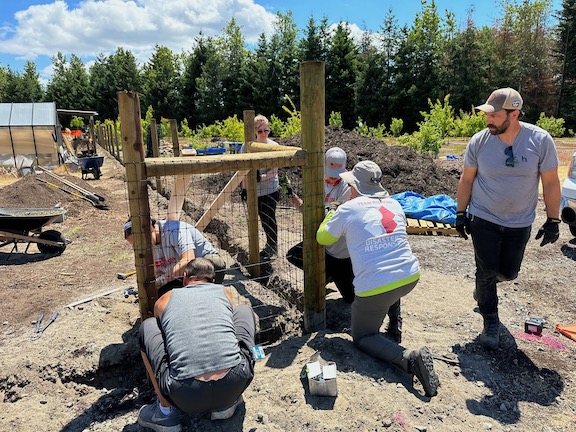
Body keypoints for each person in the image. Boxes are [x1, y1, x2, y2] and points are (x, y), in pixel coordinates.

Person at [316, 160, 439, 397]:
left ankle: (409, 360)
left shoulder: (348, 209)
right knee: (388, 278)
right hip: (409, 276)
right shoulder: (394, 204)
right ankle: (395, 323)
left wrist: (331, 213)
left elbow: (323, 238)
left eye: (350, 184)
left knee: (362, 337)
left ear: (356, 186)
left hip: (377, 287)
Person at [456, 87, 562, 350]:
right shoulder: (479, 141)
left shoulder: (540, 140)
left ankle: (483, 287)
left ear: (514, 114)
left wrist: (553, 219)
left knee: (509, 272)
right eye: (487, 115)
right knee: (487, 269)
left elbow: (550, 182)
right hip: (484, 216)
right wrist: (460, 213)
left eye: (494, 115)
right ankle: (490, 321)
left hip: (520, 220)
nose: (487, 120)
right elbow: (467, 178)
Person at [286, 147, 402, 340]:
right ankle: (326, 276)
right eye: (329, 175)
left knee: (350, 297)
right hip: (326, 247)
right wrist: (296, 201)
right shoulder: (316, 182)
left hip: (342, 252)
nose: (332, 180)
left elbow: (329, 228)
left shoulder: (351, 190)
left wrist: (326, 217)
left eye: (336, 176)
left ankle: (392, 321)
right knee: (293, 255)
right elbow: (316, 217)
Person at [137, 258, 256, 431]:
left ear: (184, 278)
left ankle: (165, 413)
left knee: (148, 326)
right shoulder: (224, 292)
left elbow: (164, 335)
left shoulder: (164, 300)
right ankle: (226, 405)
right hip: (234, 383)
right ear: (213, 280)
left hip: (184, 394)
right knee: (244, 310)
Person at [124, 217, 226, 285]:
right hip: (181, 273)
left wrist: (162, 280)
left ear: (150, 229)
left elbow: (188, 259)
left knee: (215, 262)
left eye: (139, 242)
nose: (139, 247)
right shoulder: (149, 244)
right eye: (134, 245)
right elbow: (156, 270)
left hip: (201, 265)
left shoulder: (175, 230)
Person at [240, 115, 281, 256]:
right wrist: (245, 188)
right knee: (254, 219)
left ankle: (272, 245)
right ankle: (256, 248)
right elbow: (243, 170)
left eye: (266, 130)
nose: (264, 134)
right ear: (254, 132)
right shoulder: (246, 146)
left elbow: (274, 171)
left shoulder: (274, 147)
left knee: (268, 218)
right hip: (254, 191)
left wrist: (259, 178)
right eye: (260, 131)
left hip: (270, 189)